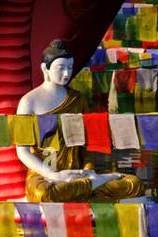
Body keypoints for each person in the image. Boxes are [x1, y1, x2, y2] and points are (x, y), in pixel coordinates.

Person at [16, 40, 143, 203]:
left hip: (78, 173)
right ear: (45, 68)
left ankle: (91, 182)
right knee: (45, 194)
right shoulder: (29, 102)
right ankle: (92, 185)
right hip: (45, 176)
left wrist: (88, 171)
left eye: (69, 67)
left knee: (134, 184)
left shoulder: (77, 99)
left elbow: (87, 144)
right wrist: (52, 174)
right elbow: (22, 151)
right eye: (61, 68)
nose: (66, 74)